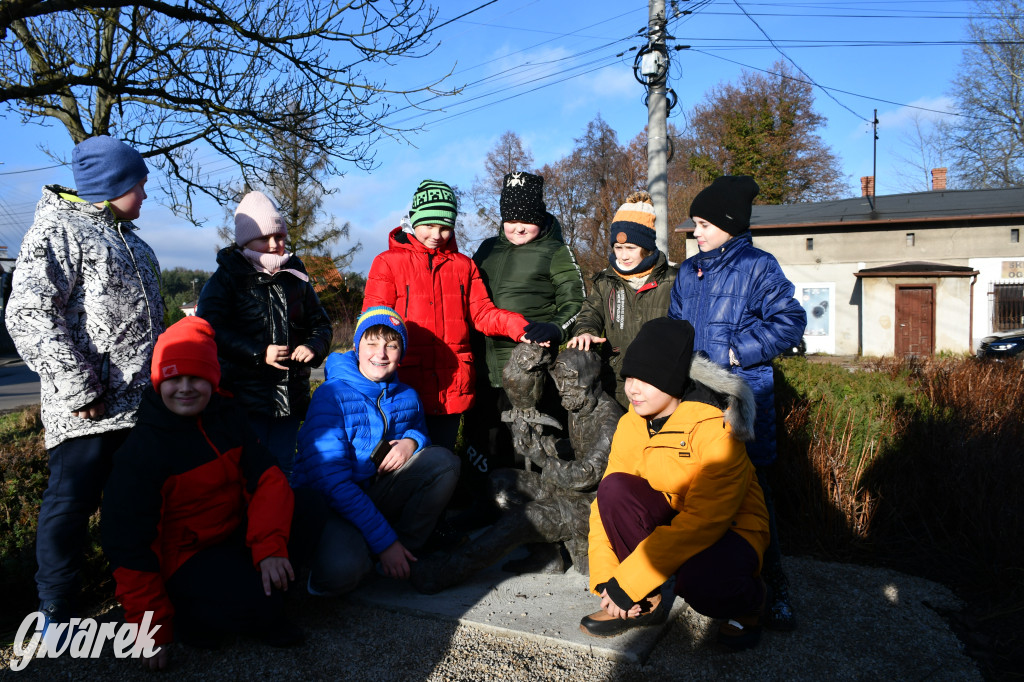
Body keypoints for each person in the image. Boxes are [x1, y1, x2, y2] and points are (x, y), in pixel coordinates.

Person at [4, 135, 164, 630]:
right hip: (86, 410)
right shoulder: (58, 231)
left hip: (138, 409)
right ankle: (56, 607)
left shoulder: (131, 240)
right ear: (112, 184)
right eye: (139, 183)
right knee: (69, 507)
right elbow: (29, 314)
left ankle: (137, 596)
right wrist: (80, 389)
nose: (144, 193)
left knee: (133, 508)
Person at [102, 317, 300, 670]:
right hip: (186, 556)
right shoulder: (143, 450)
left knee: (311, 506)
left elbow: (267, 477)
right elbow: (129, 545)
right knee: (264, 605)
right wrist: (151, 630)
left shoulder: (228, 416)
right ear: (159, 380)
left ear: (213, 379)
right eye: (173, 378)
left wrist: (270, 546)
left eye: (196, 377)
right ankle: (191, 617)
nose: (185, 388)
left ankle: (261, 587)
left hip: (233, 532)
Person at [667, 175, 807, 631]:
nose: (697, 232)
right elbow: (675, 327)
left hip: (742, 400)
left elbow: (790, 320)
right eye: (695, 224)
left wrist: (735, 352)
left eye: (705, 224)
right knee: (697, 490)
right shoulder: (689, 271)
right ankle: (713, 580)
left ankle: (776, 587)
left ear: (730, 224)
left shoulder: (759, 266)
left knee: (754, 499)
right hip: (695, 401)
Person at [582, 317, 770, 650]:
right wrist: (610, 579)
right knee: (614, 489)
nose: (633, 390)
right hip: (674, 516)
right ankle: (645, 600)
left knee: (699, 583)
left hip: (728, 528)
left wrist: (630, 580)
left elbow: (704, 522)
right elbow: (605, 505)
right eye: (629, 378)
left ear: (672, 380)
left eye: (646, 380)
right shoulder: (631, 424)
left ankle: (751, 604)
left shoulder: (716, 430)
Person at [361, 179, 561, 451]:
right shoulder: (387, 263)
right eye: (429, 225)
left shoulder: (463, 266)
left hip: (451, 385)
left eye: (445, 227)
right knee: (400, 465)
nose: (436, 234)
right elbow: (372, 325)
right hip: (403, 386)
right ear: (413, 220)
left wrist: (521, 327)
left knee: (443, 461)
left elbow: (483, 313)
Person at [292, 307, 461, 596]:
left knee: (444, 463)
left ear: (401, 352)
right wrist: (385, 542)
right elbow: (332, 483)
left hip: (376, 492)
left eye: (391, 345)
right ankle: (359, 552)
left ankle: (403, 553)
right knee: (340, 573)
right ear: (357, 347)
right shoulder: (331, 395)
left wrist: (412, 442)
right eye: (371, 343)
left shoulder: (408, 395)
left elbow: (421, 432)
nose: (381, 354)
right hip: (331, 505)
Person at [196, 191, 332, 475]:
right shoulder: (226, 278)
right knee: (246, 470)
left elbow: (321, 324)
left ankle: (279, 520)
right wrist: (258, 353)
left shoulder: (297, 276)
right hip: (243, 399)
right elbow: (210, 329)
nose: (275, 244)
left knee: (282, 467)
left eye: (280, 236)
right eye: (265, 237)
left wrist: (313, 346)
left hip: (290, 397)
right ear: (245, 240)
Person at [568, 191, 678, 408]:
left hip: (662, 383)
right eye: (618, 248)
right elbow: (590, 314)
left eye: (631, 248)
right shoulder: (605, 281)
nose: (623, 256)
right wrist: (586, 332)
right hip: (618, 383)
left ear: (647, 249)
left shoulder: (674, 279)